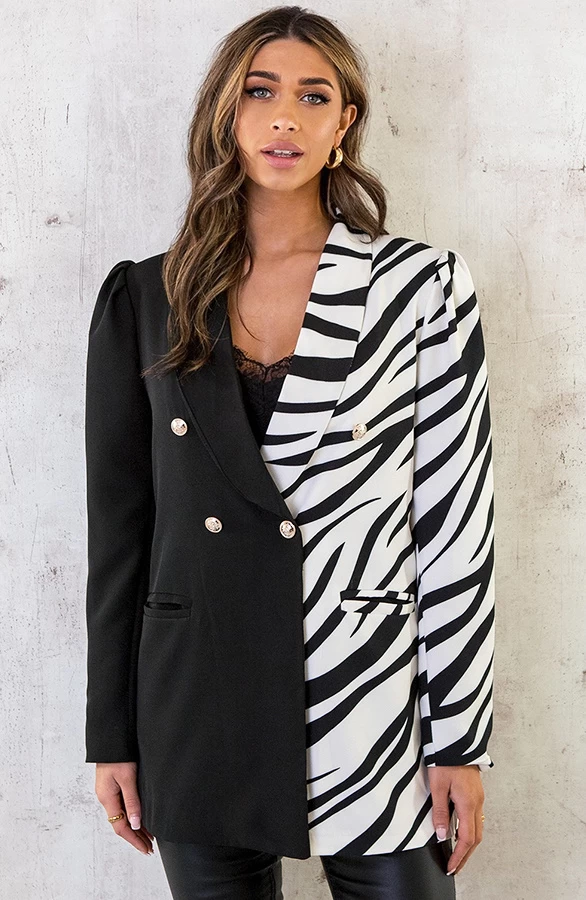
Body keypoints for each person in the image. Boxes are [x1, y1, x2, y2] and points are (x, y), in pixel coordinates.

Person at [84, 6, 495, 899]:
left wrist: (460, 739)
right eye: (260, 92)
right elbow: (120, 534)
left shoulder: (418, 289)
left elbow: (455, 528)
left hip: (370, 695)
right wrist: (110, 736)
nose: (284, 118)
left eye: (314, 97)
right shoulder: (148, 296)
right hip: (197, 697)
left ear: (345, 123)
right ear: (224, 112)